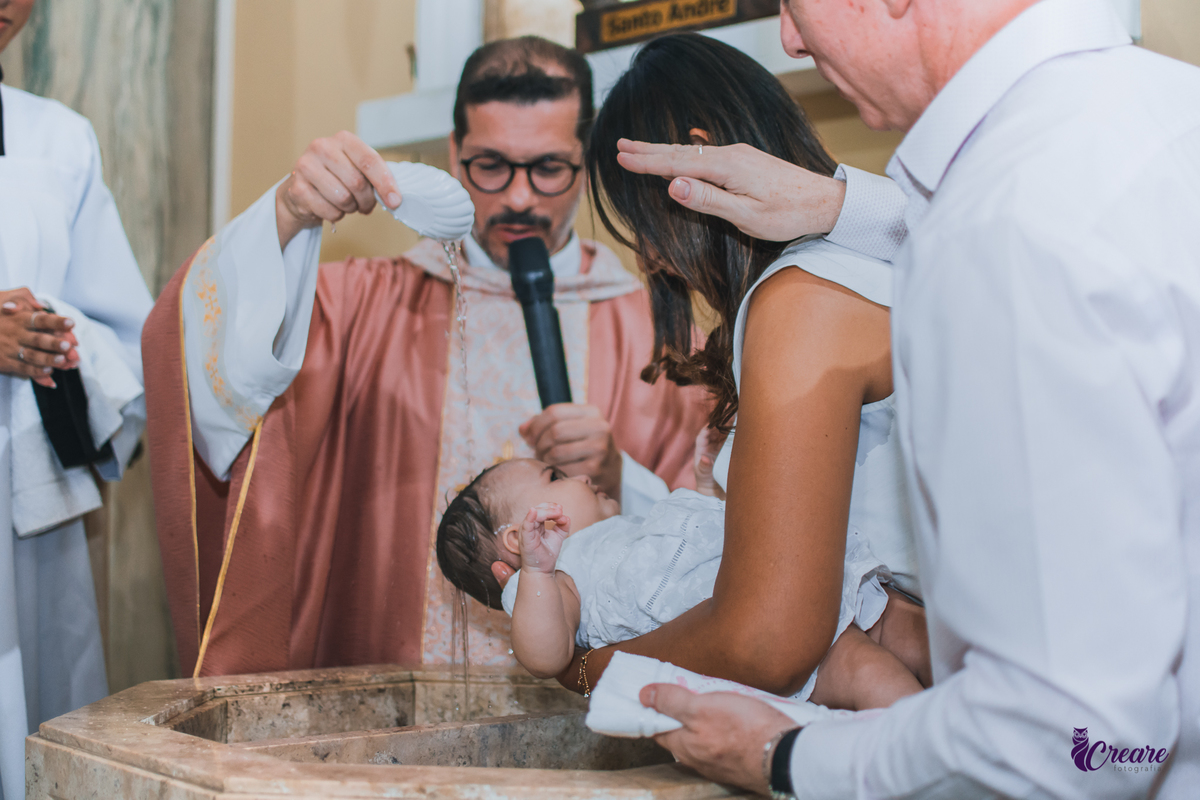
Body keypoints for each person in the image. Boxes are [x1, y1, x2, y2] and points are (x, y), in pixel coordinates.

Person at [618, 1, 1200, 798]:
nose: (789, 36)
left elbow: (1069, 738)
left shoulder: (1003, 225)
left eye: (794, 3)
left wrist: (784, 759)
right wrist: (840, 204)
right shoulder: (1165, 104)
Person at [142, 35, 709, 678]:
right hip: (390, 680)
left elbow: (723, 539)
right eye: (491, 165)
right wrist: (288, 215)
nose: (520, 198)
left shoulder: (656, 333)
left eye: (549, 168)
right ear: (453, 155)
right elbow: (205, 357)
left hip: (585, 711)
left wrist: (618, 474)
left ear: (587, 164)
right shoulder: (364, 308)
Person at [530, 32, 923, 710]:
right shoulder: (869, 261)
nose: (652, 258)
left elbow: (767, 640)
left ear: (696, 169)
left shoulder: (804, 300)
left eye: (642, 225)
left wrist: (584, 667)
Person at [436, 457, 929, 711]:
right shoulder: (561, 578)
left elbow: (702, 544)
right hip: (786, 643)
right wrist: (537, 573)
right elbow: (547, 657)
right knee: (874, 678)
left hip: (814, 581)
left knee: (928, 642)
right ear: (520, 537)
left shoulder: (626, 530)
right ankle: (932, 766)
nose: (584, 476)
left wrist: (709, 485)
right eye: (557, 475)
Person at [0, 0, 154, 796]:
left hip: (31, 519)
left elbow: (125, 330)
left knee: (36, 727)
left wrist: (58, 336)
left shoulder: (58, 139)